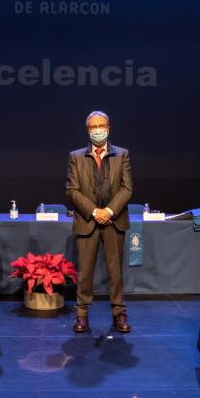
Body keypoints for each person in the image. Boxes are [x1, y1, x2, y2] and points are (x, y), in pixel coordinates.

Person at [66, 110, 132, 334]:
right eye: (93, 127)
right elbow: (72, 190)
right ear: (88, 130)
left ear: (109, 128)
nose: (97, 130)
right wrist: (95, 211)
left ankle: (119, 313)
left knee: (115, 272)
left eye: (101, 126)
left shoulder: (122, 154)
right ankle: (82, 314)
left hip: (114, 221)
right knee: (84, 272)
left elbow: (127, 188)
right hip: (88, 220)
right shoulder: (76, 156)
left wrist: (110, 211)